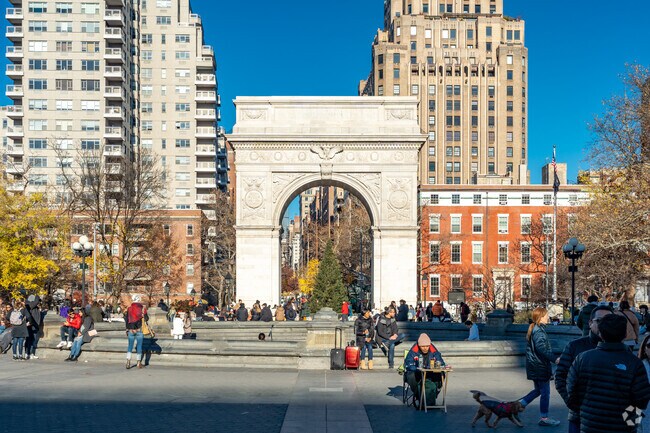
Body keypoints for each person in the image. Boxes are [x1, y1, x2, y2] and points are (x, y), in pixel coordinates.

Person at [567, 313, 650, 433]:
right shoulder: (634, 363)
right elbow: (641, 400)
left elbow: (572, 391)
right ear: (625, 335)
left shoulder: (583, 358)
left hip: (589, 422)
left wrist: (585, 411)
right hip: (622, 426)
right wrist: (630, 422)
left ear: (600, 333)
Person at [555, 305, 613, 433]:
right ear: (590, 323)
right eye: (599, 320)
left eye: (608, 320)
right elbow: (560, 376)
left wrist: (631, 421)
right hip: (579, 417)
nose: (603, 324)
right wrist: (572, 403)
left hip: (612, 420)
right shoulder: (574, 346)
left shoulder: (621, 351)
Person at [519, 307, 561, 427]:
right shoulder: (538, 331)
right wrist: (555, 359)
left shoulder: (536, 329)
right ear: (540, 317)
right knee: (545, 393)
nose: (548, 317)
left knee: (538, 390)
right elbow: (541, 349)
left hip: (535, 365)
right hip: (539, 366)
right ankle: (544, 417)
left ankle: (519, 404)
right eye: (546, 315)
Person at [404, 333, 445, 408]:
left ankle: (434, 393)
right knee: (411, 375)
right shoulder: (413, 351)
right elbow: (408, 364)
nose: (425, 348)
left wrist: (438, 366)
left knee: (442, 373)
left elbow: (441, 362)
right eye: (423, 346)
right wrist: (416, 369)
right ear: (419, 346)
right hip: (417, 373)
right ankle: (418, 395)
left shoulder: (433, 350)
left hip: (430, 373)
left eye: (427, 346)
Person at [125, 301, 147, 369]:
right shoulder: (142, 310)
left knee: (130, 346)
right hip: (139, 330)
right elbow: (147, 319)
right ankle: (138, 363)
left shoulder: (129, 309)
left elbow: (126, 320)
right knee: (139, 346)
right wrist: (144, 313)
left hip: (131, 330)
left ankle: (128, 362)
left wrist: (128, 329)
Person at [638, 334, 650, 433]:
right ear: (644, 348)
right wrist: (630, 424)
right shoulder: (636, 368)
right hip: (643, 418)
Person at [24, 295, 42, 359]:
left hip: (33, 325)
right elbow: (36, 301)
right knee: (31, 340)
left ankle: (29, 353)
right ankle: (29, 353)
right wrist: (37, 295)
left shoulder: (31, 306)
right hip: (32, 325)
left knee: (31, 340)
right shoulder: (31, 304)